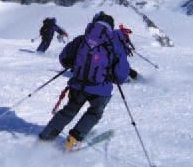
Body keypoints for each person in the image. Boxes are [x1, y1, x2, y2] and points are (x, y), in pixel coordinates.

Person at [38, 12, 130, 150]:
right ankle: (73, 141)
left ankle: (46, 137)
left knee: (69, 110)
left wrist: (74, 66)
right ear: (111, 27)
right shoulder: (114, 44)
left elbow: (64, 58)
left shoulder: (82, 39)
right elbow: (121, 75)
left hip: (78, 85)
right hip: (101, 90)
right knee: (94, 113)